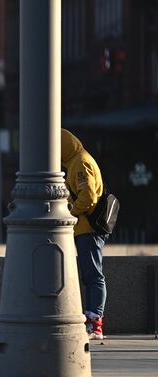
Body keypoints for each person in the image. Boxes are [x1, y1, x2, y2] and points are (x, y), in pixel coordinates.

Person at [62, 129, 107, 341]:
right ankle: (92, 318)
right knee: (90, 275)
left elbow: (87, 196)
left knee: (93, 275)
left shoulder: (79, 163)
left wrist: (71, 214)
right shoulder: (75, 162)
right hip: (84, 228)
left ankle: (95, 321)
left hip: (88, 228)